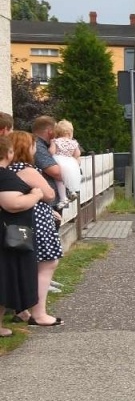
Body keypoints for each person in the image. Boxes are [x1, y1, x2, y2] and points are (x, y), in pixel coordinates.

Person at [11, 131, 61, 326]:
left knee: (23, 266)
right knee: (47, 263)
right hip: (37, 222)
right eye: (32, 145)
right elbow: (49, 194)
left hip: (20, 221)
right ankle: (39, 313)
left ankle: (22, 310)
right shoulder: (27, 170)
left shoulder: (9, 169)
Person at [0, 135, 43, 337]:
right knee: (4, 279)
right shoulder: (4, 176)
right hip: (5, 237)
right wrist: (35, 195)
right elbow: (13, 203)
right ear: (8, 153)